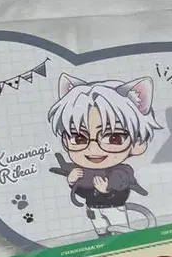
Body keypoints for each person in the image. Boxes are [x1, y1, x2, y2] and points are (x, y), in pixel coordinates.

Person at [48, 72, 162, 235]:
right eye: (79, 138)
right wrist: (72, 181)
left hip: (114, 208)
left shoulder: (121, 171)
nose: (93, 149)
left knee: (121, 234)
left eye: (114, 138)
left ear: (137, 143)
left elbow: (122, 187)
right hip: (93, 210)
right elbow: (83, 192)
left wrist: (107, 189)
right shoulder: (83, 171)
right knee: (102, 237)